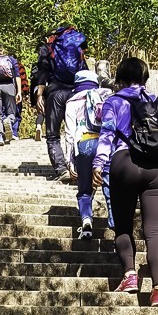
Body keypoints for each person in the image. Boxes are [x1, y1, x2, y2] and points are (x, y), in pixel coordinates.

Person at [93, 55, 158, 308]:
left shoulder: (113, 101)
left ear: (119, 78)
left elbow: (107, 133)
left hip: (124, 165)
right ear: (145, 78)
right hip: (157, 169)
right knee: (154, 232)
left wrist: (99, 163)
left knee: (123, 226)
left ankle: (130, 275)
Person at [32, 23, 88, 181]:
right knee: (78, 132)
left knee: (53, 134)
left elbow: (42, 72)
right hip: (76, 93)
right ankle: (77, 168)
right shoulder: (78, 48)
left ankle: (62, 169)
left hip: (55, 93)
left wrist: (39, 95)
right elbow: (85, 72)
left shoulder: (48, 47)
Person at [63, 63, 112, 241]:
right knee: (109, 186)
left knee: (84, 189)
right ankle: (116, 223)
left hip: (83, 144)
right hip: (104, 144)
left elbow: (69, 134)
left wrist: (69, 162)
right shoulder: (106, 96)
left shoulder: (72, 102)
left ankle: (86, 222)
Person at [14, 59, 29, 139]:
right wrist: (26, 92)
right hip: (17, 92)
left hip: (4, 92)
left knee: (4, 112)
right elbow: (23, 80)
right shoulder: (19, 66)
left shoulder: (2, 64)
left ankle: (2, 134)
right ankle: (14, 132)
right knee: (17, 112)